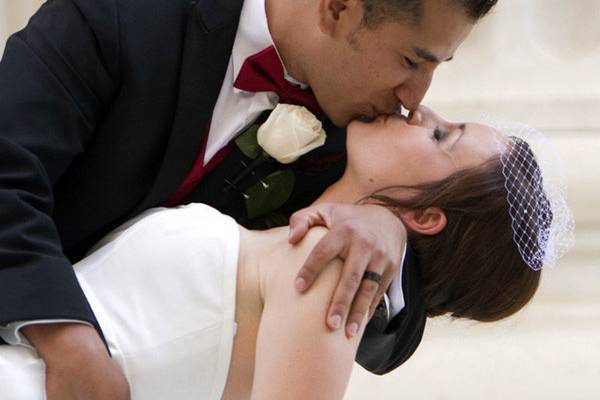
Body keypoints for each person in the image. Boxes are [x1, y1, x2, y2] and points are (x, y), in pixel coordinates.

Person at [0, 0, 498, 398]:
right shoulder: (120, 15)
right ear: (338, 8)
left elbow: (393, 327)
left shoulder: (359, 139)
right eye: (412, 61)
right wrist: (65, 338)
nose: (416, 98)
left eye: (438, 66)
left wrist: (388, 227)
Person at [0, 106, 572, 399]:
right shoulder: (292, 236)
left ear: (425, 216)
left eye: (441, 136)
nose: (422, 112)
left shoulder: (333, 275)